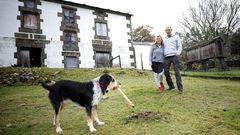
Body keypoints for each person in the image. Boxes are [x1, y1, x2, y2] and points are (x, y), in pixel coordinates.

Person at [163, 26, 183, 94]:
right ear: (165, 31)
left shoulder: (176, 37)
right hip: (167, 57)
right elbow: (163, 47)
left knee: (177, 72)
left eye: (169, 30)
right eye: (166, 30)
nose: (168, 31)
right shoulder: (164, 39)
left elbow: (180, 46)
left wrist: (177, 53)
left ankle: (180, 89)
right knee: (166, 72)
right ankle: (171, 86)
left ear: (171, 30)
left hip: (174, 56)